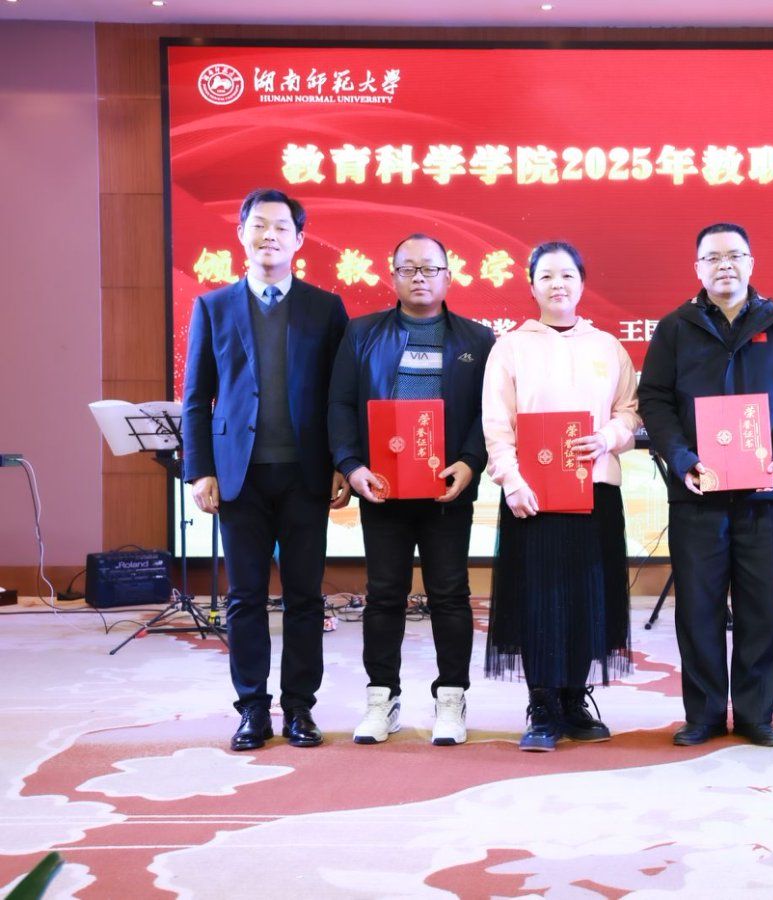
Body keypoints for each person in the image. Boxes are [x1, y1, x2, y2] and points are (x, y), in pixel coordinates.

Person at [637, 222, 773, 748]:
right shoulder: (675, 327)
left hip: (764, 492)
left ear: (751, 263)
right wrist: (682, 460)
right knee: (699, 607)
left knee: (760, 607)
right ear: (697, 268)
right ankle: (705, 714)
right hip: (697, 492)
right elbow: (655, 400)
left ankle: (757, 714)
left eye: (735, 255)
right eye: (713, 258)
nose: (725, 266)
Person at [182, 188, 350, 751]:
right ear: (241, 234)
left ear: (299, 240)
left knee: (305, 597)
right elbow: (196, 398)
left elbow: (340, 397)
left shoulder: (326, 308)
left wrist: (343, 462)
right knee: (245, 597)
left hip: (306, 474)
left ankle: (299, 708)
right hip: (240, 477)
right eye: (259, 224)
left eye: (281, 227)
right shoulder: (213, 307)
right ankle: (252, 708)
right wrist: (200, 470)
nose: (269, 235)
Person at [328, 233, 494, 746]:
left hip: (448, 490)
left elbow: (488, 413)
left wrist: (470, 462)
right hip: (383, 488)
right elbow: (340, 404)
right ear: (393, 275)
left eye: (429, 268)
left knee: (450, 594)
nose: (419, 277)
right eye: (408, 268)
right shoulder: (361, 334)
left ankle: (452, 698)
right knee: (383, 595)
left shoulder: (478, 340)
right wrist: (352, 466)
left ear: (448, 276)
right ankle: (382, 699)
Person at [481, 241, 640, 752]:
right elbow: (496, 424)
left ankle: (574, 699)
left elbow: (630, 410)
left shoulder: (608, 347)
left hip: (596, 490)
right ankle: (543, 705)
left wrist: (610, 437)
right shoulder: (510, 347)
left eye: (567, 275)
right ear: (531, 286)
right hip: (532, 496)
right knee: (539, 601)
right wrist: (511, 481)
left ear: (582, 283)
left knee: (587, 598)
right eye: (546, 276)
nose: (558, 285)